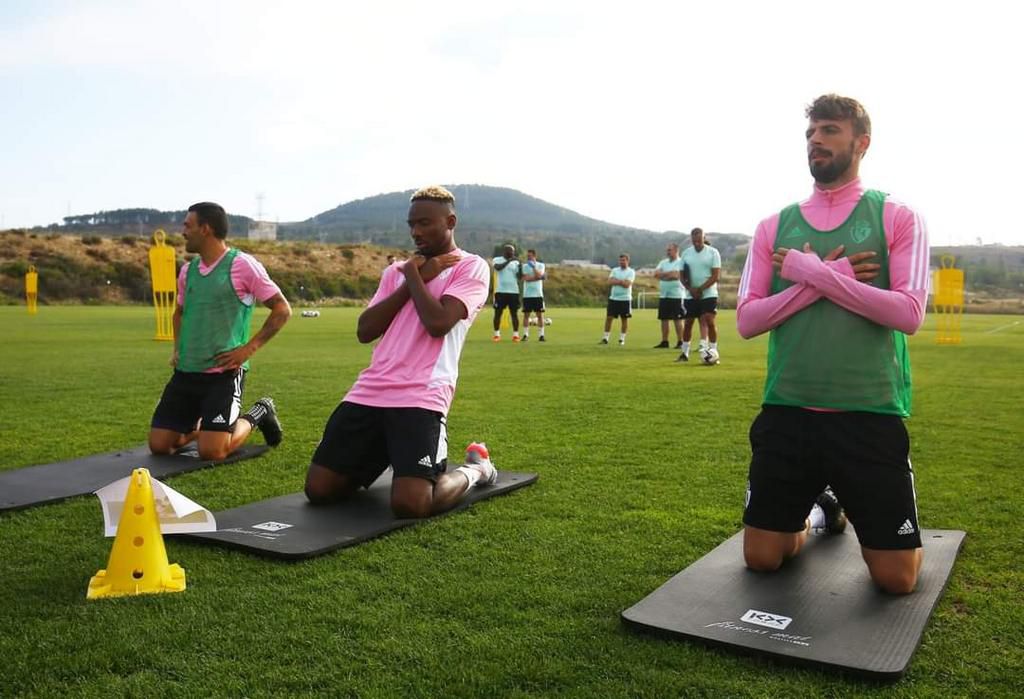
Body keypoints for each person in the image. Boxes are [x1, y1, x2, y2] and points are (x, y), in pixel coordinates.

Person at [736, 94, 930, 594]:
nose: (815, 141)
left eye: (829, 131)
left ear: (861, 143)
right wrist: (820, 279)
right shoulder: (774, 225)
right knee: (762, 558)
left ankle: (834, 505)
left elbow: (908, 313)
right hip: (788, 409)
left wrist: (813, 273)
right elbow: (747, 321)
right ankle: (821, 512)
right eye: (810, 133)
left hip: (868, 410)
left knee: (897, 580)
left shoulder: (896, 215)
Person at [303, 185, 496, 518]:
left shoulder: (471, 267)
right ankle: (390, 455)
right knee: (319, 490)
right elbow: (365, 331)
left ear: (450, 221)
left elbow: (438, 323)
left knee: (411, 504)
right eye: (412, 224)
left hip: (422, 394)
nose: (416, 232)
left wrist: (416, 277)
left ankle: (477, 469)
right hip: (371, 391)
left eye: (425, 223)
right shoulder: (397, 272)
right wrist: (410, 277)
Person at [149, 202, 291, 460]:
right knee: (160, 445)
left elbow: (282, 309)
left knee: (212, 451)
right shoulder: (187, 271)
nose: (182, 231)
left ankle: (259, 412)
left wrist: (248, 349)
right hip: (186, 373)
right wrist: (177, 348)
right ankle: (206, 429)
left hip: (223, 375)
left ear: (205, 229)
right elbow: (179, 312)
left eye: (187, 225)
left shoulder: (243, 265)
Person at [677, 228, 721, 362]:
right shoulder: (686, 254)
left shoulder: (713, 253)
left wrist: (700, 289)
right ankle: (684, 353)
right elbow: (681, 275)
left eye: (699, 237)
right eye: (694, 238)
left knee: (709, 320)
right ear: (691, 238)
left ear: (704, 237)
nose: (696, 240)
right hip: (691, 294)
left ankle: (713, 351)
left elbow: (715, 275)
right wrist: (690, 289)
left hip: (709, 293)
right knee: (689, 322)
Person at [653, 242, 684, 348]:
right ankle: (664, 341)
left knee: (677, 319)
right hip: (664, 295)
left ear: (676, 251)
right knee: (664, 319)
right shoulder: (663, 262)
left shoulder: (681, 262)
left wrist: (663, 275)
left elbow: (676, 275)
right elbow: (656, 274)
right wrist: (668, 274)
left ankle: (680, 341)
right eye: (667, 250)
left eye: (669, 250)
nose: (667, 252)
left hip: (677, 295)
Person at [601, 253, 635, 345]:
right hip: (613, 298)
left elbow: (627, 284)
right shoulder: (614, 270)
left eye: (623, 260)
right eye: (620, 260)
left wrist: (617, 281)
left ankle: (622, 339)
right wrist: (621, 281)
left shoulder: (631, 272)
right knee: (609, 318)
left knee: (624, 319)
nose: (621, 262)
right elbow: (610, 281)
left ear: (627, 261)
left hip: (625, 299)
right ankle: (605, 338)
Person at [491, 244, 522, 342]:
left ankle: (516, 335)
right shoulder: (497, 259)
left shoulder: (516, 262)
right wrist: (509, 261)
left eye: (513, 252)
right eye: (510, 252)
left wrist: (520, 267)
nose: (512, 254)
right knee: (498, 313)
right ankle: (496, 334)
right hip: (500, 291)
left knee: (514, 313)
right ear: (505, 252)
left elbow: (519, 277)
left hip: (513, 291)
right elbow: (498, 268)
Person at [520, 249, 547, 342]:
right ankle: (525, 334)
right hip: (527, 294)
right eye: (527, 256)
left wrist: (534, 268)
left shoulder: (541, 265)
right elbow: (524, 278)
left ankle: (541, 335)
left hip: (538, 294)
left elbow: (540, 275)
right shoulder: (524, 266)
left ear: (534, 256)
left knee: (540, 315)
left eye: (530, 256)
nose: (528, 258)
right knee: (526, 315)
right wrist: (536, 278)